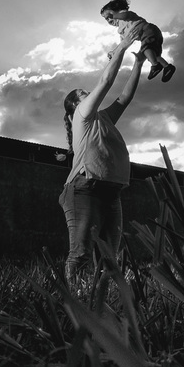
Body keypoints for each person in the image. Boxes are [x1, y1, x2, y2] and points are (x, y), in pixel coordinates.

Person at [59, 33, 147, 284]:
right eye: (83, 93)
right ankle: (74, 303)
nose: (89, 93)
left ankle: (101, 303)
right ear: (76, 105)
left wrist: (138, 62)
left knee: (109, 258)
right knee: (82, 253)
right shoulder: (82, 116)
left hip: (111, 191)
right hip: (84, 189)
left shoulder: (104, 118)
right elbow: (107, 81)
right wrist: (122, 46)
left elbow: (124, 98)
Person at [101, 0, 175, 82]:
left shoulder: (126, 15)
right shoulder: (121, 30)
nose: (109, 20)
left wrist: (114, 15)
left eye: (109, 16)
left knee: (146, 49)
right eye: (106, 19)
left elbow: (124, 15)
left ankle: (155, 65)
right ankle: (167, 67)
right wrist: (114, 51)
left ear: (117, 10)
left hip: (147, 29)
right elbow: (123, 43)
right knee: (153, 54)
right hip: (148, 34)